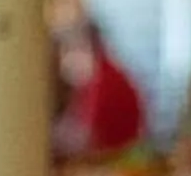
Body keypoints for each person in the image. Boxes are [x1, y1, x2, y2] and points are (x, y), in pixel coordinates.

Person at [53, 18, 147, 158]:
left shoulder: (106, 82)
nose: (65, 63)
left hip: (114, 162)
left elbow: (89, 139)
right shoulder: (96, 79)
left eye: (68, 52)